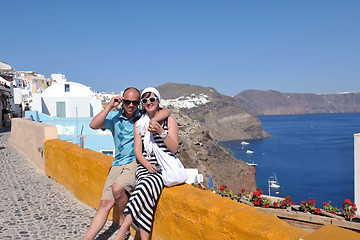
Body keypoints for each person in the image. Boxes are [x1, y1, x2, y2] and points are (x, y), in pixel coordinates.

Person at [83, 87, 170, 240]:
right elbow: (93, 125)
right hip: (117, 163)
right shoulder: (114, 118)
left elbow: (166, 111)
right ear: (122, 101)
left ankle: (124, 223)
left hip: (134, 162)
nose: (131, 105)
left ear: (139, 104)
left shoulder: (141, 116)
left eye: (135, 102)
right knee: (104, 203)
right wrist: (110, 105)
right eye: (128, 102)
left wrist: (154, 120)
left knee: (117, 189)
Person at [114, 87, 179, 240]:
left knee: (144, 187)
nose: (149, 102)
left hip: (163, 166)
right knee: (147, 196)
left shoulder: (169, 121)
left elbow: (174, 148)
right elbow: (138, 150)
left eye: (152, 99)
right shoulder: (139, 124)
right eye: (145, 100)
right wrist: (147, 165)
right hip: (145, 165)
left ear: (158, 100)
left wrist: (162, 132)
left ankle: (122, 230)